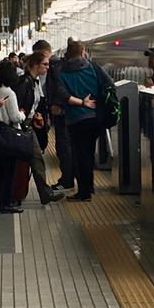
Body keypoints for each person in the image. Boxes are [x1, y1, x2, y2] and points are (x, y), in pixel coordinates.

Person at [48, 39, 111, 201]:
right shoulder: (94, 68)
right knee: (89, 154)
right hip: (95, 118)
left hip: (75, 120)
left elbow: (62, 95)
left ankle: (84, 192)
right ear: (83, 52)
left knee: (79, 155)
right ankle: (89, 187)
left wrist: (75, 102)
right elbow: (109, 85)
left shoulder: (61, 72)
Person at [0, 63, 36, 215]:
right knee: (8, 172)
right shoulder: (10, 92)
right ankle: (6, 203)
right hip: (9, 136)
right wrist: (22, 113)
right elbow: (15, 117)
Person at [19, 49, 61, 204]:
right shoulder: (25, 82)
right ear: (35, 65)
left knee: (36, 160)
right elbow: (20, 105)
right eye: (45, 64)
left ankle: (44, 193)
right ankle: (43, 193)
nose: (47, 67)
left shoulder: (34, 82)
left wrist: (36, 115)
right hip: (23, 127)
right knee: (34, 159)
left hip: (28, 125)